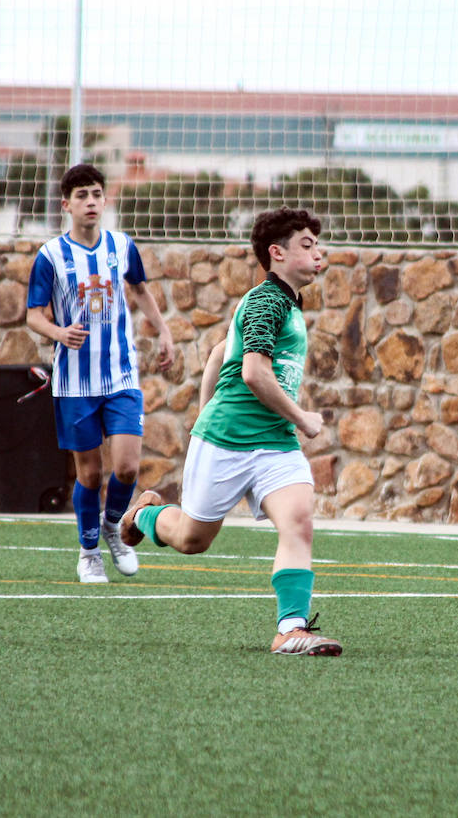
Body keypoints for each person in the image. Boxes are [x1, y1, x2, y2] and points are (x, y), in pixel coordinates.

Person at [119, 207, 342, 656]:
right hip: (228, 441)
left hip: (275, 445)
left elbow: (222, 352)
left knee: (298, 521)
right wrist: (301, 418)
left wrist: (206, 409)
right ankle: (143, 513)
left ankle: (291, 629)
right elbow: (254, 374)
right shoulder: (266, 300)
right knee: (191, 540)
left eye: (317, 245)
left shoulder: (288, 304)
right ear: (276, 254)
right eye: (307, 245)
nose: (319, 254)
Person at [26, 163, 174, 584]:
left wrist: (164, 331)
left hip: (121, 377)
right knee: (89, 474)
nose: (90, 202)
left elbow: (140, 290)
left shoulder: (122, 245)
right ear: (66, 205)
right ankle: (89, 551)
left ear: (105, 200)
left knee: (127, 468)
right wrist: (58, 332)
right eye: (82, 196)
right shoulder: (51, 256)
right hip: (75, 383)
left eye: (96, 194)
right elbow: (34, 315)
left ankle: (114, 528)